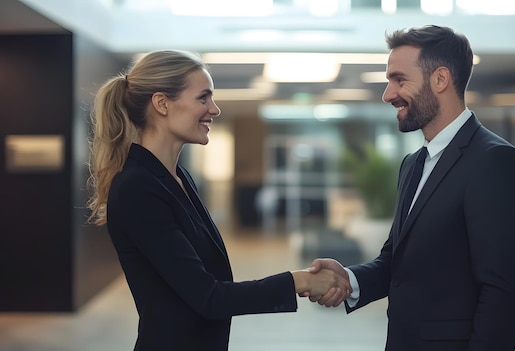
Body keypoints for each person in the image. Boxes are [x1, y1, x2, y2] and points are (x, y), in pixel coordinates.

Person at [85, 49, 351, 351]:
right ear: (161, 103)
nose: (214, 109)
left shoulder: (179, 179)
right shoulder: (137, 187)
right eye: (203, 98)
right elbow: (209, 297)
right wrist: (299, 281)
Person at [307, 25, 515, 351]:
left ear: (440, 79)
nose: (388, 94)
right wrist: (349, 278)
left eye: (399, 80)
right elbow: (396, 263)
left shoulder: (495, 162)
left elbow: (505, 294)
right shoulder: (413, 163)